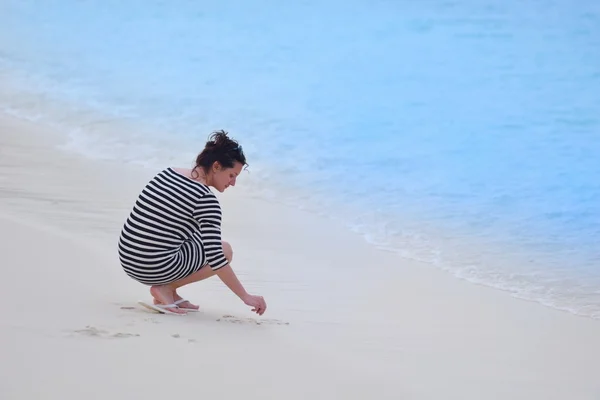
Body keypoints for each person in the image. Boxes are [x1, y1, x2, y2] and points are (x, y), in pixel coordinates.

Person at [117, 130, 267, 316]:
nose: (234, 183)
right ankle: (166, 288)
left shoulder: (168, 173)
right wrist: (246, 296)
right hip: (150, 266)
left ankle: (170, 291)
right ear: (217, 166)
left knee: (198, 233)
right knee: (225, 249)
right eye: (231, 175)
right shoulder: (205, 199)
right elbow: (217, 257)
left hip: (128, 257)